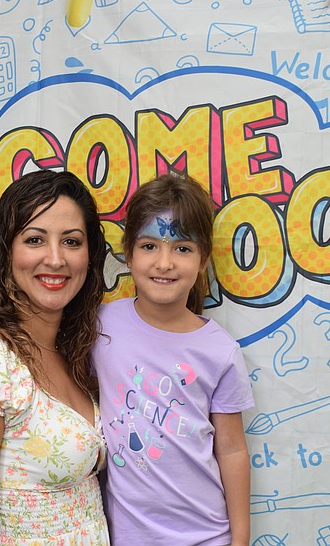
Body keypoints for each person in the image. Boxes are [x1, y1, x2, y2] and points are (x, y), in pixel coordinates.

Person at [0, 170, 109, 545]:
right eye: (35, 239)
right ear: (6, 251)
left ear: (90, 256)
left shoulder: (75, 353)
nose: (55, 259)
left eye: (71, 241)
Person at [93, 174, 254, 545]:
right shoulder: (100, 328)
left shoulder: (219, 350)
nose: (164, 263)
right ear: (128, 253)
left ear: (203, 260)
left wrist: (241, 539)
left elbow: (232, 449)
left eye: (182, 248)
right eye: (149, 246)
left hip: (207, 536)